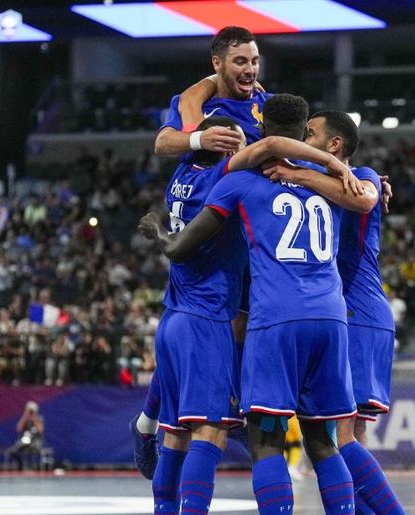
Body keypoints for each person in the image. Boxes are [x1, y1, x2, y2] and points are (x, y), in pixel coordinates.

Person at [140, 94, 370, 515]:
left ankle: (145, 426)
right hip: (330, 317)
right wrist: (342, 168)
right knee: (324, 441)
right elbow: (364, 199)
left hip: (259, 319)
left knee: (252, 439)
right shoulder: (338, 183)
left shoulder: (231, 181)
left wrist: (159, 229)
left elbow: (181, 246)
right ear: (305, 135)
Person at [132, 25, 273, 482]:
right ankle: (154, 423)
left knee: (241, 320)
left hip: (247, 235)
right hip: (211, 228)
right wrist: (199, 139)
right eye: (240, 62)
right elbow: (163, 143)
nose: (249, 69)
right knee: (209, 325)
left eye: (253, 61)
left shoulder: (262, 102)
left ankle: (161, 420)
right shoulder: (199, 100)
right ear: (217, 64)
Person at [270, 110, 415, 515]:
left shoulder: (362, 175)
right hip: (349, 315)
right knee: (348, 441)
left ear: (335, 146)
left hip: (356, 313)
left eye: (311, 133)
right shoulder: (317, 184)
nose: (302, 137)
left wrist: (296, 175)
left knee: (339, 440)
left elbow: (366, 195)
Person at [7, 401, 44, 470]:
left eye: (32, 411)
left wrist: (34, 418)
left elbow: (40, 430)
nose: (31, 413)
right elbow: (19, 428)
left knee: (31, 450)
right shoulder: (25, 419)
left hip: (35, 441)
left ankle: (32, 468)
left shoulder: (38, 419)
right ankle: (20, 465)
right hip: (24, 441)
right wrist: (25, 417)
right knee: (13, 451)